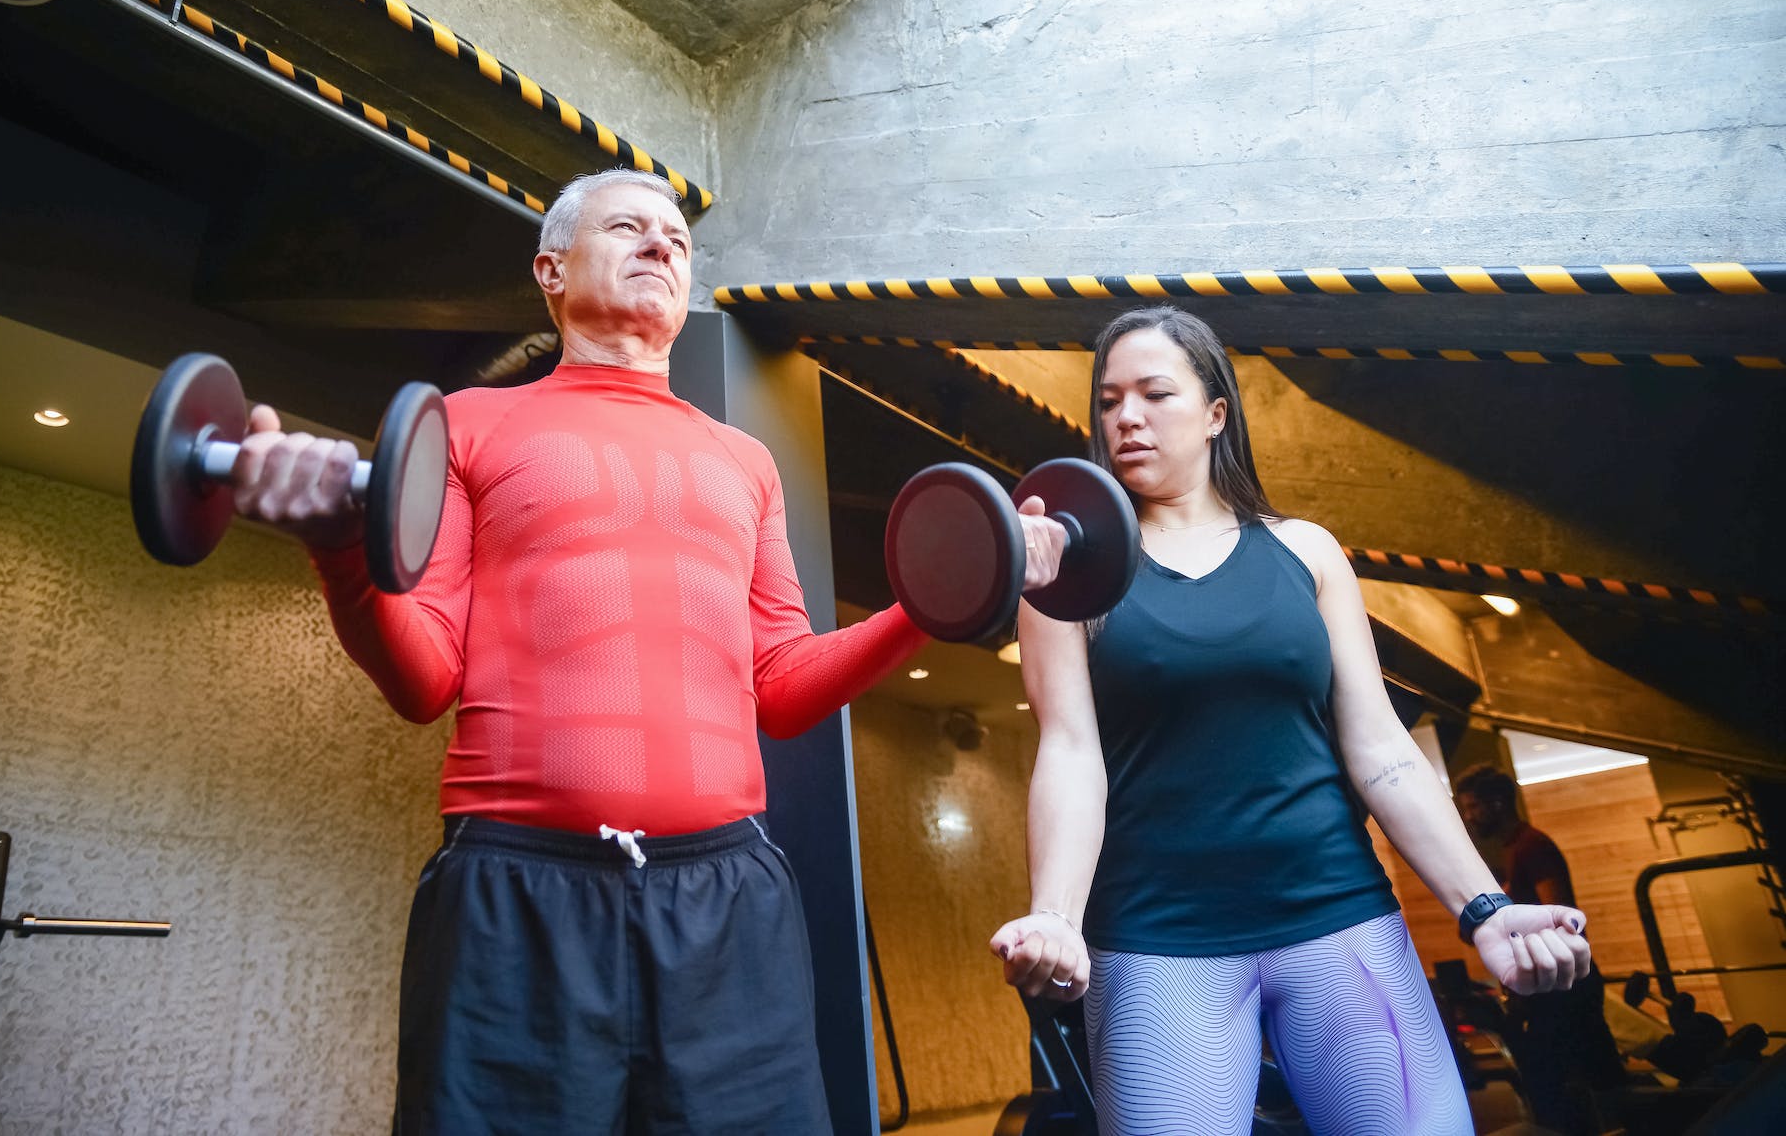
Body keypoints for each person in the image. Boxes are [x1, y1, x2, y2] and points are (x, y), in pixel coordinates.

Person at [226, 168, 1069, 1134]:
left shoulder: (745, 461)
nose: (663, 244)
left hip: (726, 899)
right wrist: (341, 553)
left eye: (677, 237)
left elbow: (784, 686)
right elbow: (426, 677)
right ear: (551, 268)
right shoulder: (467, 424)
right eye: (627, 227)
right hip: (515, 892)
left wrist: (940, 603)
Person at [988, 305, 1594, 1136]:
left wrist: (1485, 907)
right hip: (1158, 936)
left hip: (1336, 913)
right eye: (1108, 399)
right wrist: (1055, 916)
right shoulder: (1064, 574)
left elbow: (1380, 748)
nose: (1125, 416)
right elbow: (1068, 751)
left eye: (1154, 393)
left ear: (1214, 414)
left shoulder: (1306, 551)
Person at [1456, 763, 1626, 1128]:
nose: (1469, 817)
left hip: (1563, 986)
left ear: (1498, 803)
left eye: (1473, 807)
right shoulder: (1516, 850)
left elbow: (1560, 913)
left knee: (1583, 1084)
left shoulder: (1531, 847)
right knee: (1569, 1084)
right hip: (1550, 986)